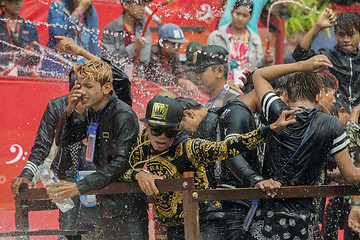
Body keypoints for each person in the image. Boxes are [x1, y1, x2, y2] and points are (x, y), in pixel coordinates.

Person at [123, 95, 298, 240]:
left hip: (205, 222)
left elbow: (227, 148)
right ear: (146, 127)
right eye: (155, 130)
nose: (161, 137)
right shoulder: (143, 142)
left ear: (177, 128)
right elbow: (121, 168)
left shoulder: (190, 147)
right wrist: (139, 174)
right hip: (174, 227)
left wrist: (270, 129)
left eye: (169, 131)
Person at [242, 54, 360, 240]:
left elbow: (258, 75)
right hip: (304, 222)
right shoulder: (330, 124)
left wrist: (300, 65)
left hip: (267, 219)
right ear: (318, 95)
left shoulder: (277, 113)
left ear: (286, 95)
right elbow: (351, 175)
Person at [47, 59, 148, 240]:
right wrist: (70, 109)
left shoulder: (122, 114)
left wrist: (79, 187)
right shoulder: (92, 112)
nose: (81, 92)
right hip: (106, 203)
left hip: (129, 205)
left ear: (107, 87)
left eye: (88, 86)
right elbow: (63, 140)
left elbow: (120, 164)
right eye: (78, 86)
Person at [177, 97, 281, 240]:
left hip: (236, 203)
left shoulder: (224, 116)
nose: (184, 135)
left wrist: (254, 179)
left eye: (182, 129)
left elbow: (231, 153)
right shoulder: (220, 116)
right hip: (227, 204)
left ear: (189, 114)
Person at [292, 9, 360, 113]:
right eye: (341, 34)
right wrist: (317, 27)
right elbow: (300, 55)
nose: (346, 39)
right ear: (335, 34)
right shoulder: (328, 57)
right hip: (334, 119)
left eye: (351, 34)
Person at [207, 0, 274, 88]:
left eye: (245, 15)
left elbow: (258, 66)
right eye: (237, 14)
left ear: (250, 18)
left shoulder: (255, 39)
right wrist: (222, 83)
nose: (240, 18)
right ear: (231, 13)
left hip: (246, 88)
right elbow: (208, 65)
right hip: (222, 88)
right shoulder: (216, 37)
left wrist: (268, 60)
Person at [102, 0, 151, 77]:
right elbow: (109, 60)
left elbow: (144, 60)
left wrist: (139, 77)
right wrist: (133, 47)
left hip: (137, 79)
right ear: (125, 5)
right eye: (138, 4)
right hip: (115, 78)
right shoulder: (111, 29)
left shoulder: (144, 28)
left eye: (143, 5)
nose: (143, 9)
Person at [145, 23, 198, 93]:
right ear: (162, 42)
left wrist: (185, 81)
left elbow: (180, 72)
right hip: (148, 90)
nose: (177, 48)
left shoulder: (173, 55)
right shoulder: (152, 53)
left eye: (179, 45)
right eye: (174, 44)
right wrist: (180, 81)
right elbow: (160, 76)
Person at [0, 0, 39, 76]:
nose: (18, 4)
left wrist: (32, 53)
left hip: (22, 79)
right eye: (14, 0)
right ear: (3, 2)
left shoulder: (29, 27)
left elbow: (36, 60)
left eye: (20, 0)